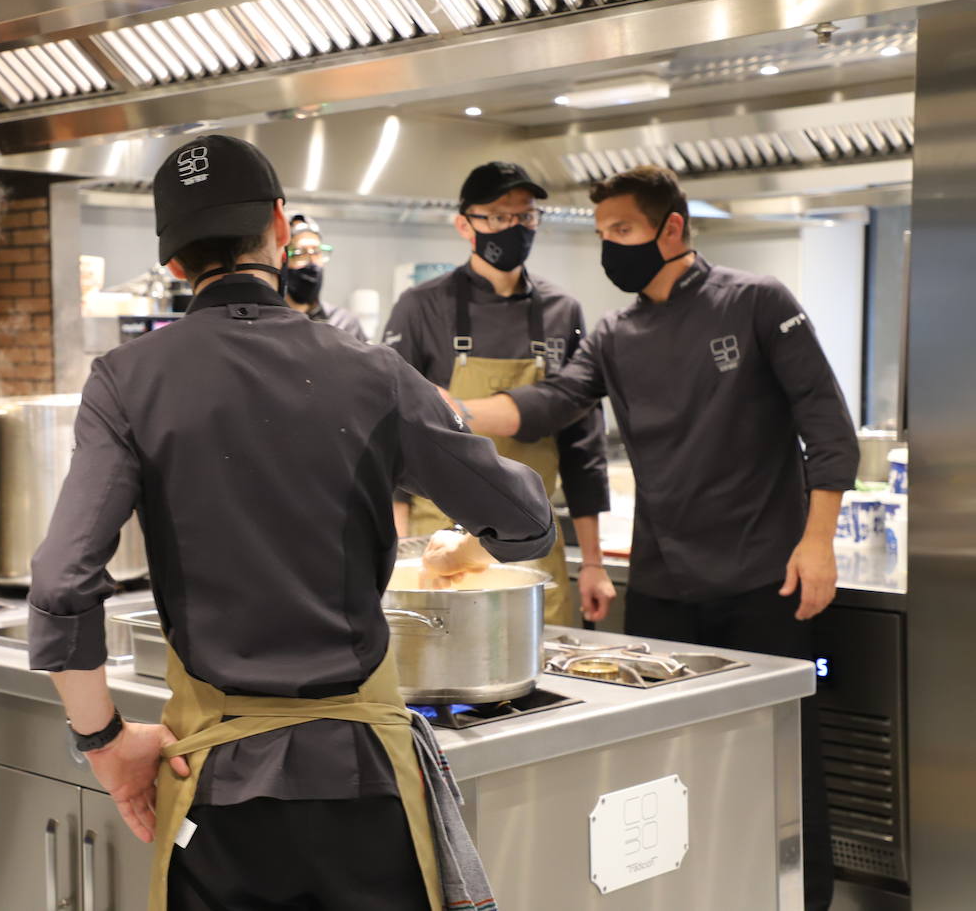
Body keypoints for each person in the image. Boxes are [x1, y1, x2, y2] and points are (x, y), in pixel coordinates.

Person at [26, 134, 556, 910]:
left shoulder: (124, 381)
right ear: (280, 226)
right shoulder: (373, 371)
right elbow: (525, 525)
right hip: (364, 781)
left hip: (216, 791)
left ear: (174, 262)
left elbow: (61, 581)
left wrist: (104, 744)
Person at [440, 164, 856, 911]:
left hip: (769, 576)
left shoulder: (756, 302)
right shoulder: (615, 333)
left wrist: (817, 540)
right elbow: (551, 404)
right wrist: (449, 410)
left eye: (624, 232)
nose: (612, 249)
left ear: (673, 227)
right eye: (602, 235)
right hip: (666, 587)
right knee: (674, 770)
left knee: (785, 762)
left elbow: (828, 430)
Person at [382, 161, 616, 628]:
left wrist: (592, 561)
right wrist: (395, 559)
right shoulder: (421, 306)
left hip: (533, 544)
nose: (513, 227)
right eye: (497, 216)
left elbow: (582, 444)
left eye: (524, 216)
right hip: (437, 547)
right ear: (464, 225)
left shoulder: (562, 310)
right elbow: (391, 439)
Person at [283, 212, 368, 340]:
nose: (312, 262)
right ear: (282, 260)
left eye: (316, 252)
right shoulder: (272, 322)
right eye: (300, 253)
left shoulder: (344, 324)